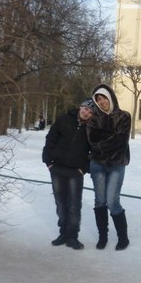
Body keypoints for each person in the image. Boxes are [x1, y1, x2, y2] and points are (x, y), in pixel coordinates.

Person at [42, 99, 94, 249]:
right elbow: (50, 139)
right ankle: (63, 233)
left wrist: (84, 168)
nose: (86, 113)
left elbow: (94, 151)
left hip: (75, 171)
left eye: (90, 112)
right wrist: (48, 161)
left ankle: (72, 236)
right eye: (85, 109)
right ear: (80, 107)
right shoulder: (64, 119)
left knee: (74, 205)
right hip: (57, 168)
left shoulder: (91, 128)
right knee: (60, 203)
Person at [87, 83, 132, 250]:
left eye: (104, 98)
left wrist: (102, 142)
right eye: (98, 99)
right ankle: (103, 237)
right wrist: (110, 138)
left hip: (116, 164)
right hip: (97, 165)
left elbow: (121, 140)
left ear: (110, 97)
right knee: (100, 201)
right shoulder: (93, 119)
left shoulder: (124, 116)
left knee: (112, 201)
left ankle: (123, 238)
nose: (101, 102)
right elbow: (92, 140)